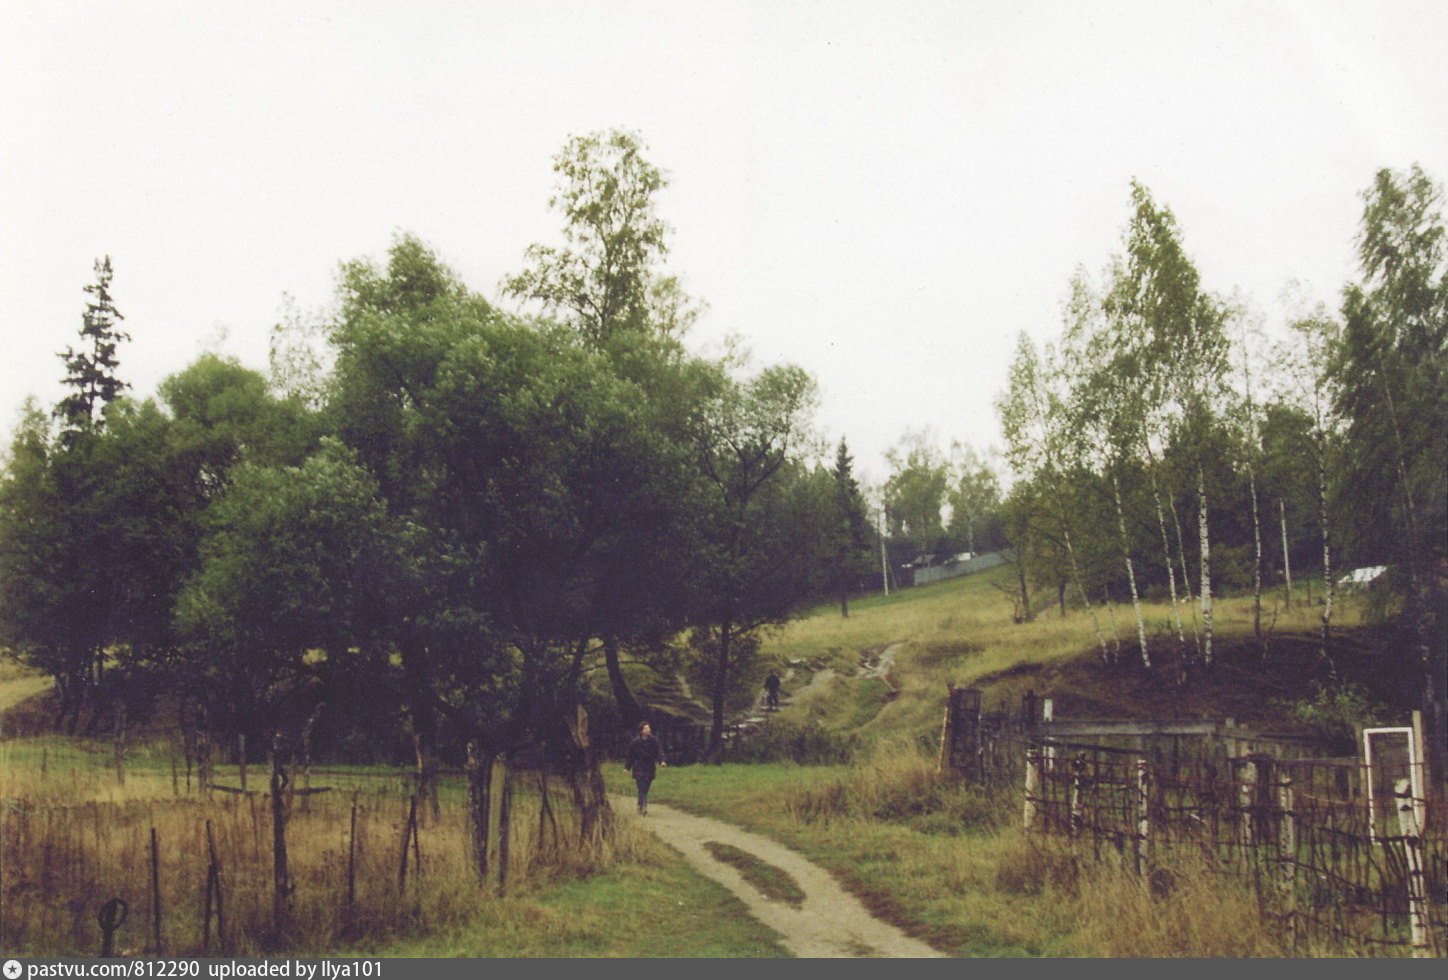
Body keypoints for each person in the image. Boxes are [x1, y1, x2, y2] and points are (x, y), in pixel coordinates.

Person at [624, 721, 666, 815]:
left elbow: (659, 751)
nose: (648, 730)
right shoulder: (635, 742)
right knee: (641, 787)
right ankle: (642, 806)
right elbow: (630, 755)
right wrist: (627, 767)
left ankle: (641, 803)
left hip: (650, 766)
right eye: (646, 728)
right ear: (641, 731)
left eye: (649, 728)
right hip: (639, 766)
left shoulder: (654, 741)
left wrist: (662, 761)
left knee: (646, 787)